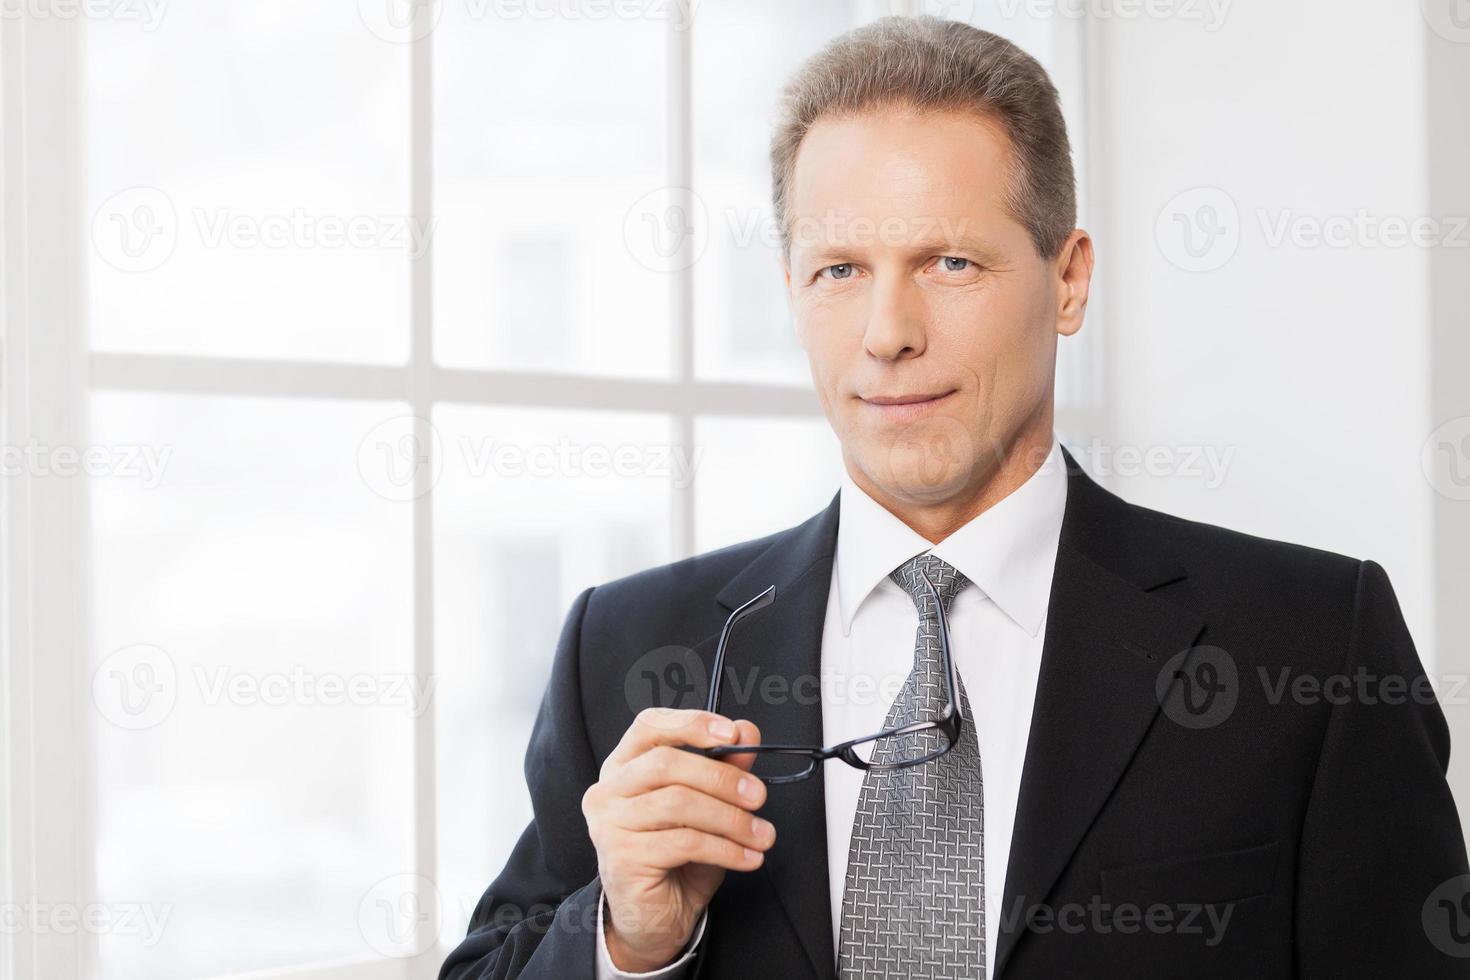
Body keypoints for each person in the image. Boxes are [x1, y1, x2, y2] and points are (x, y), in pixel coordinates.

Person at [440, 15, 1470, 979]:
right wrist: (628, 935)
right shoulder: (622, 645)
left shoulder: (1310, 644)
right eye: (840, 268)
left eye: (949, 260)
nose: (889, 331)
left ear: (1067, 280)